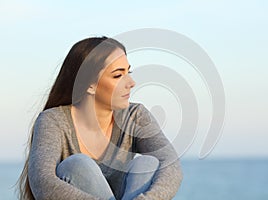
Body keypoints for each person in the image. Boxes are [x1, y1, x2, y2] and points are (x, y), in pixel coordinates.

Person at [17, 36, 183, 200]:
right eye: (118, 75)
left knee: (148, 164)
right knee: (77, 165)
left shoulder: (135, 116)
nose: (131, 82)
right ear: (90, 84)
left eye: (128, 72)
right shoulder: (53, 121)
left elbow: (171, 165)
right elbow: (42, 182)